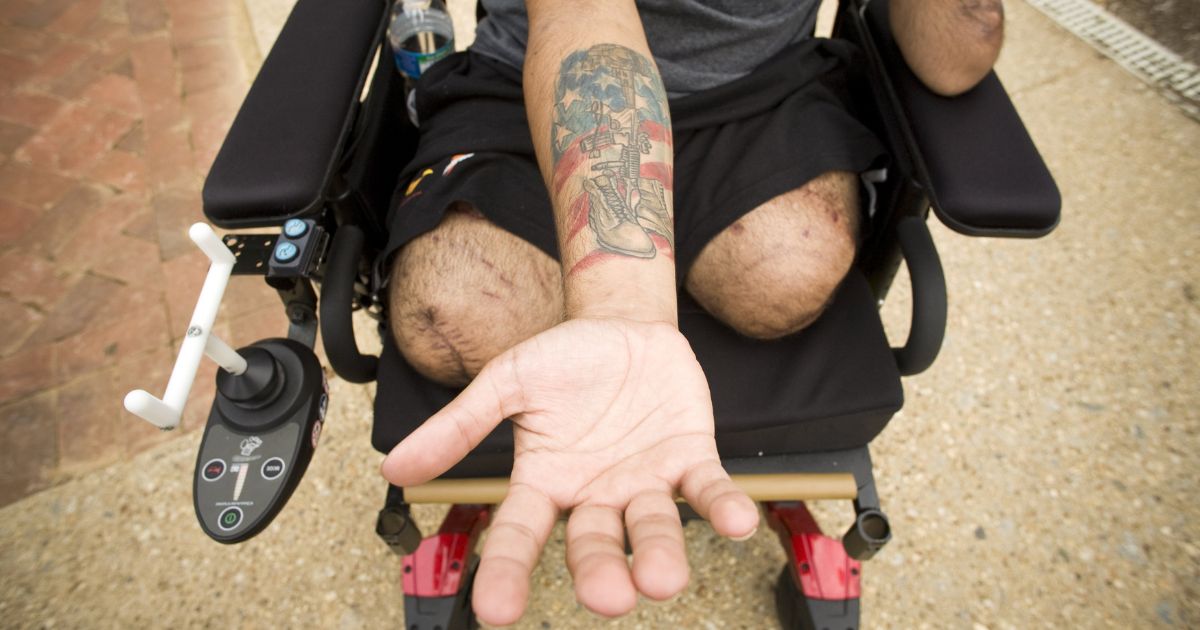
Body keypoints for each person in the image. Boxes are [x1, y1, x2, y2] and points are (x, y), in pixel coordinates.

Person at [379, 0, 1004, 624]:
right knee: (455, 317)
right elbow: (583, 19)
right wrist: (623, 306)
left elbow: (953, 64)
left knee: (789, 268)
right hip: (537, 69)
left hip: (757, 83)